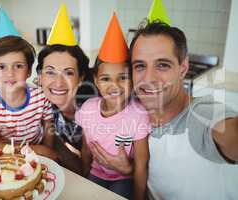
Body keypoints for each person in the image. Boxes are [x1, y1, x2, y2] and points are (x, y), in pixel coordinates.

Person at [91, 21, 238, 200]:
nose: (149, 78)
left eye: (162, 65)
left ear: (183, 68)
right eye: (140, 66)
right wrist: (129, 170)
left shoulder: (203, 114)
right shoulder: (132, 110)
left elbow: (231, 131)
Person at [75, 13, 151, 200]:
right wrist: (85, 178)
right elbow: (86, 150)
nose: (114, 85)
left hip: (123, 178)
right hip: (96, 174)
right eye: (106, 78)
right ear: (96, 80)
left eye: (123, 78)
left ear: (133, 79)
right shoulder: (88, 109)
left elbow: (141, 164)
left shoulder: (138, 113)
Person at [0, 36, 57, 160]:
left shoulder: (41, 96)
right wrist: (38, 150)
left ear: (28, 71)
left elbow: (49, 127)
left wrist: (47, 152)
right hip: (6, 158)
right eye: (1, 67)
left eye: (18, 66)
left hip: (37, 155)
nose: (10, 73)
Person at [36, 44, 93, 174]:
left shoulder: (95, 108)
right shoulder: (41, 107)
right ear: (40, 78)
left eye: (68, 73)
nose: (59, 83)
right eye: (50, 72)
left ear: (80, 78)